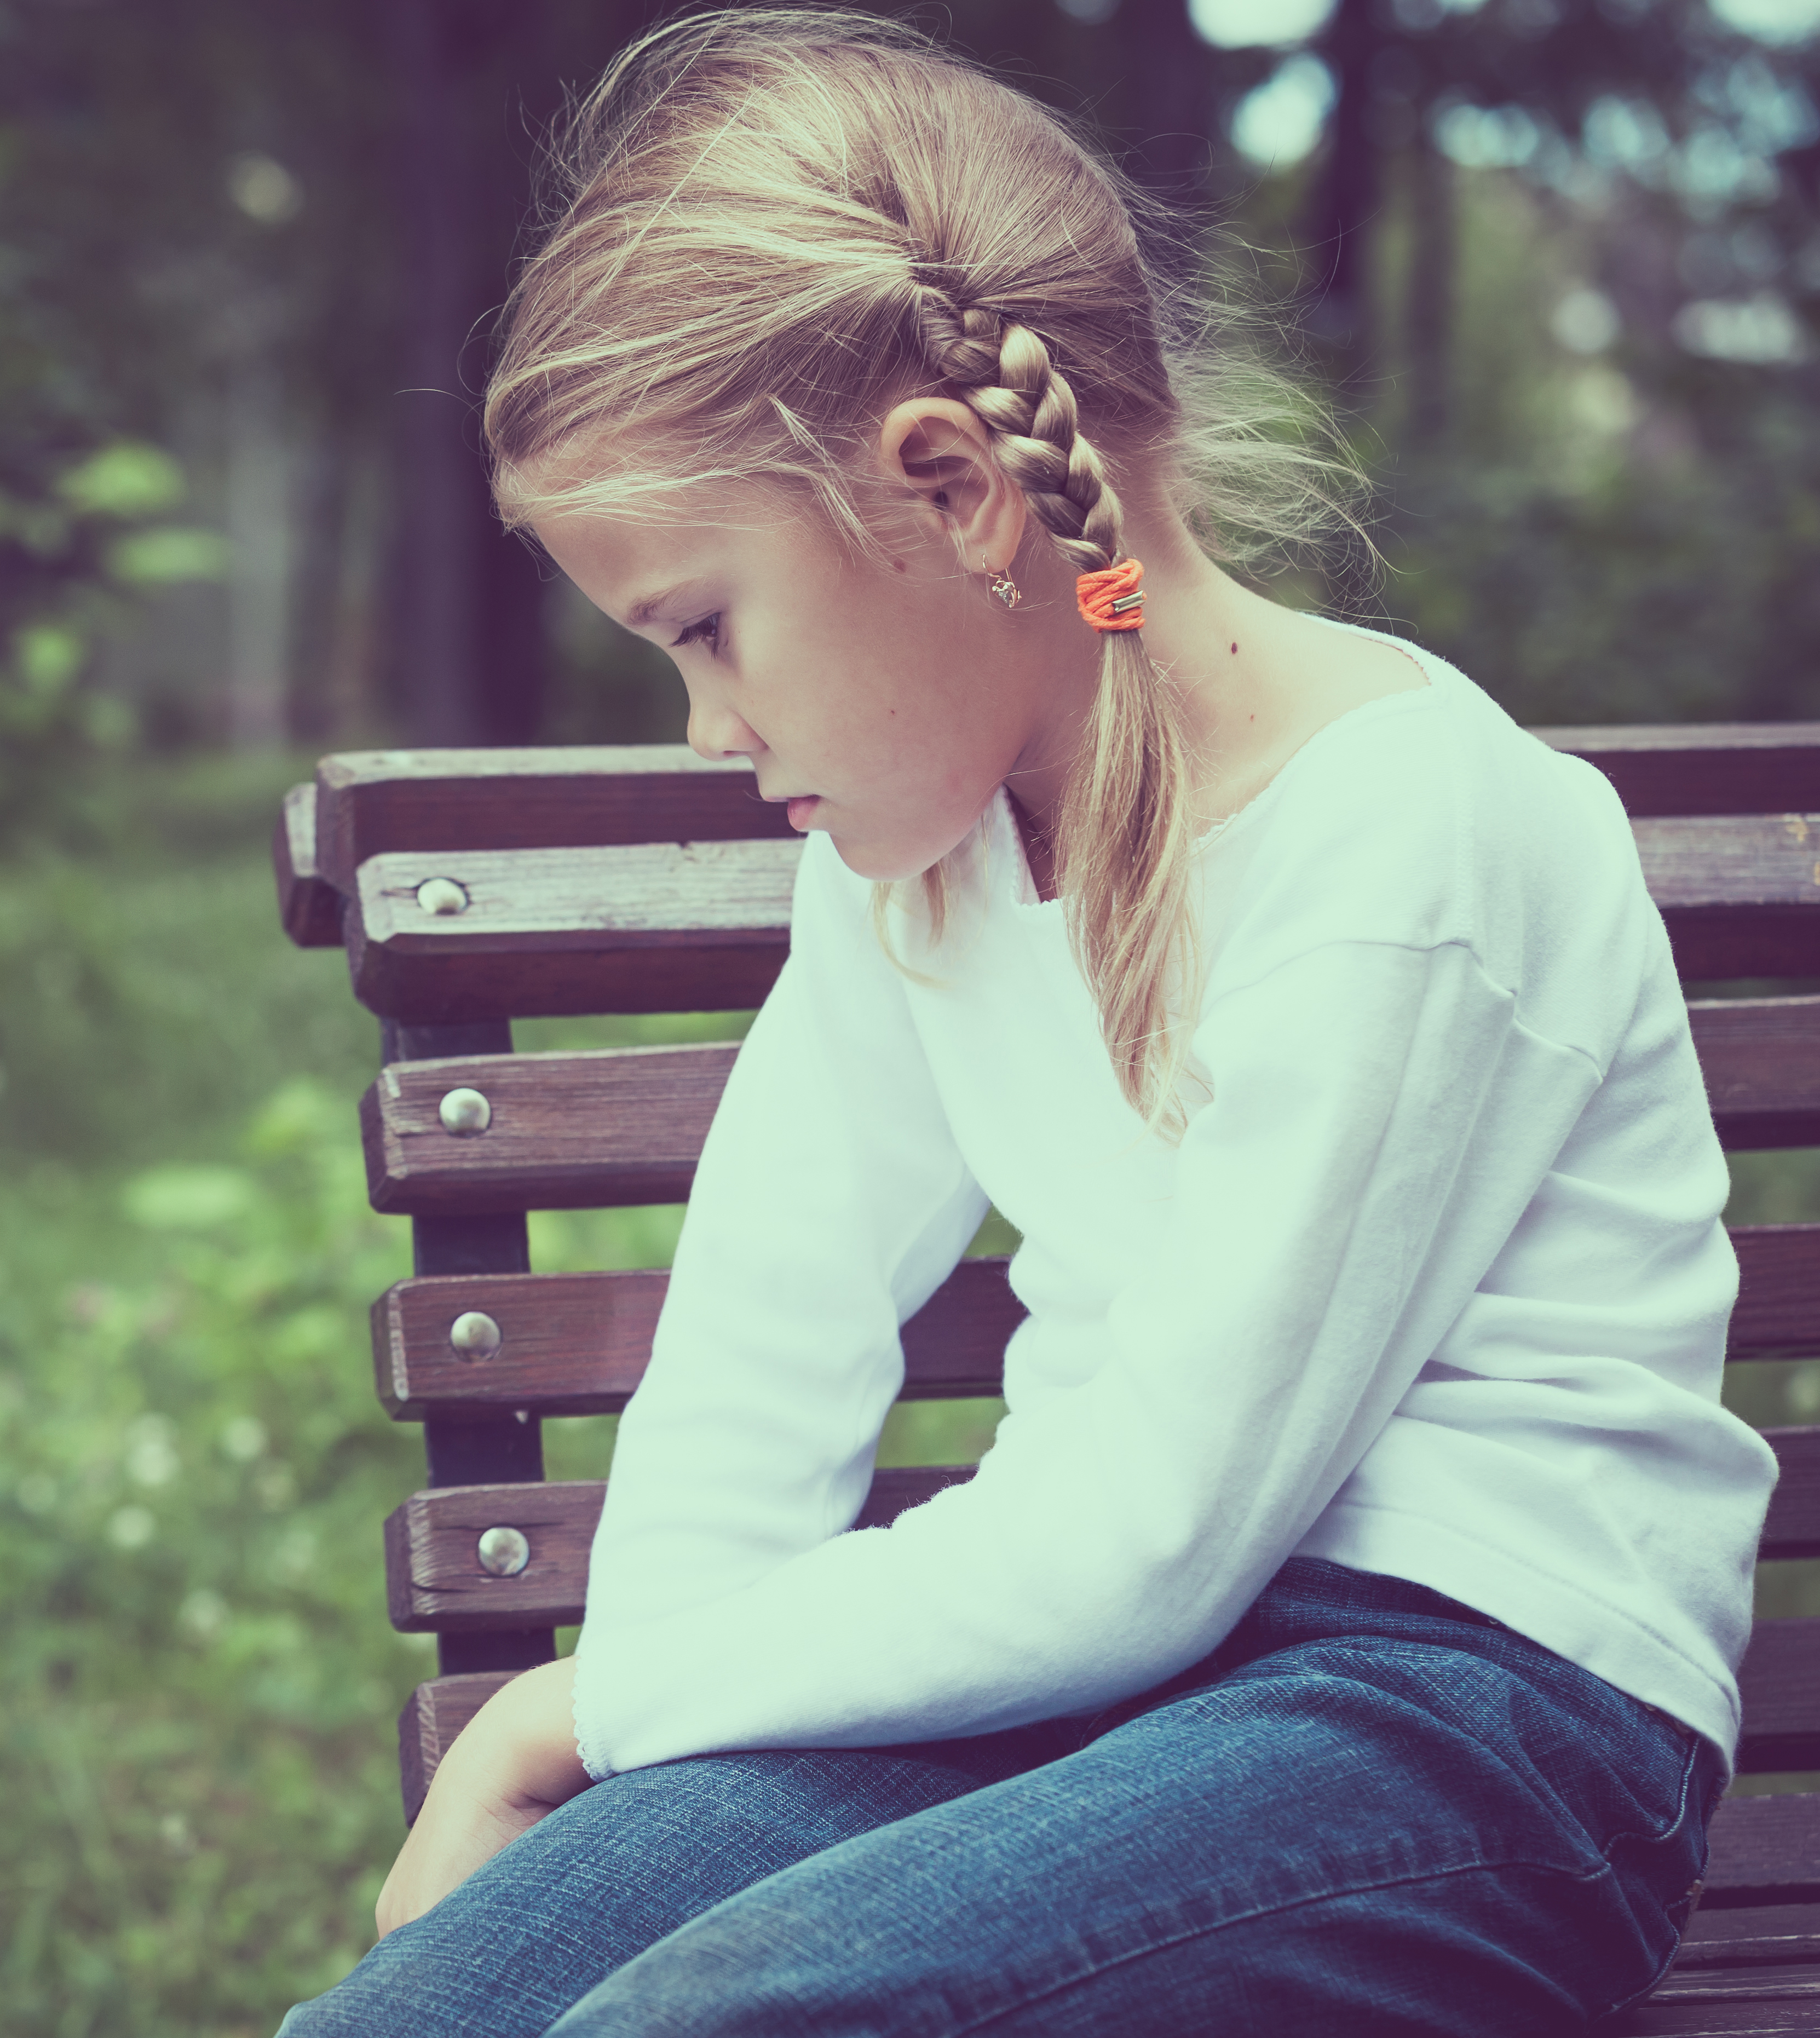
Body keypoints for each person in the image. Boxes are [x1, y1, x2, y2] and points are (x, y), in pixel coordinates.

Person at [278, 10, 1775, 2034]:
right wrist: (628, 1751)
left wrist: (567, 1710)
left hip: (1466, 1722)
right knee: (419, 2017)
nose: (708, 729)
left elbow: (1152, 1537)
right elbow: (759, 1369)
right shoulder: (914, 865)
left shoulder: (1412, 833)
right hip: (1083, 1688)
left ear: (958, 490)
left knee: (723, 2015)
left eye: (706, 627)